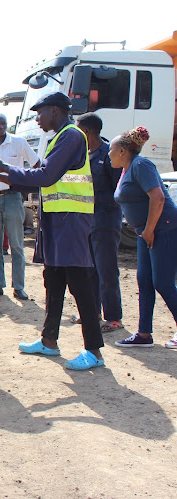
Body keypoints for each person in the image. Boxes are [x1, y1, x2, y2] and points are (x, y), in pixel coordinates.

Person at [0, 92, 105, 370]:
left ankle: (95, 351)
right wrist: (3, 176)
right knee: (53, 280)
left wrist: (6, 169)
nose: (37, 118)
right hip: (57, 221)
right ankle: (48, 340)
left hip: (70, 221)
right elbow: (41, 179)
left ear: (55, 110)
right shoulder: (59, 138)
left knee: (79, 284)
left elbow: (46, 176)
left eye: (39, 113)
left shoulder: (71, 136)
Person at [110, 127, 177, 349]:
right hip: (145, 231)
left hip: (163, 228)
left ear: (121, 150)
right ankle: (144, 334)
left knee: (163, 282)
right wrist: (145, 231)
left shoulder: (141, 165)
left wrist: (149, 230)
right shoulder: (126, 169)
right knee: (145, 281)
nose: (108, 154)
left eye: (111, 150)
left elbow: (157, 198)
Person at [0, 114, 40, 301]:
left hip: (13, 197)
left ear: (7, 125)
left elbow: (37, 164)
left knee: (16, 244)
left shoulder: (18, 142)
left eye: (3, 124)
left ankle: (19, 287)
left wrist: (22, 183)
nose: (0, 127)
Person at [75, 113, 124, 332]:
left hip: (105, 218)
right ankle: (92, 311)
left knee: (106, 269)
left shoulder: (109, 155)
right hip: (87, 218)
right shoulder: (84, 155)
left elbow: (118, 190)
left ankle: (113, 317)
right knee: (89, 269)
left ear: (87, 131)